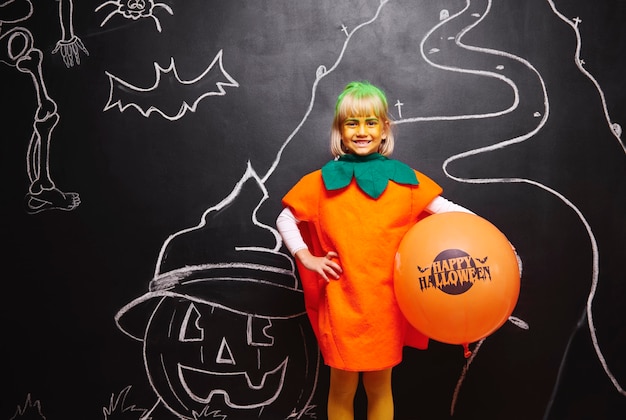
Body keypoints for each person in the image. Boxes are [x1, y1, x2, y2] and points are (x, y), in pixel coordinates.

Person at [276, 81, 475, 420]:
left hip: (385, 306)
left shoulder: (405, 182)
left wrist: (490, 236)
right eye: (352, 123)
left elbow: (447, 210)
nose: (362, 131)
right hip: (341, 302)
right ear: (340, 130)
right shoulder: (320, 182)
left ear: (384, 129)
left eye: (370, 122)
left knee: (380, 386)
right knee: (341, 386)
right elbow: (286, 217)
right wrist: (305, 256)